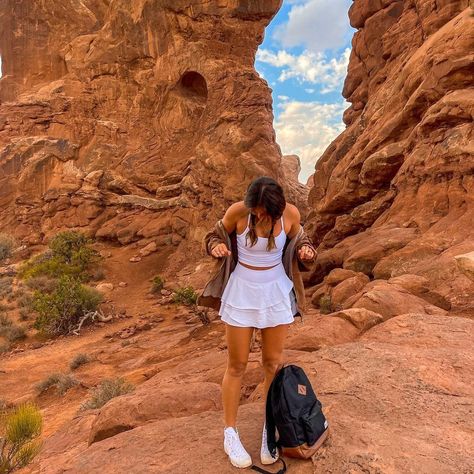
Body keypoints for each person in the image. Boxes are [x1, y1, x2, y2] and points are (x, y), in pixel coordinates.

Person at [200, 176, 316, 469]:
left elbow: (301, 240)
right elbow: (213, 236)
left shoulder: (290, 214)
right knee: (237, 364)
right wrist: (215, 247)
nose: (260, 217)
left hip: (275, 292)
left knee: (272, 364)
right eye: (257, 212)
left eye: (265, 212)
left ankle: (270, 427)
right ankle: (230, 432)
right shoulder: (238, 212)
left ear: (278, 208)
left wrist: (306, 250)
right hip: (242, 291)